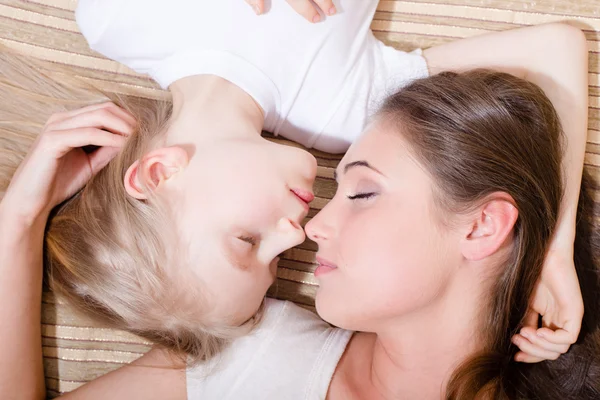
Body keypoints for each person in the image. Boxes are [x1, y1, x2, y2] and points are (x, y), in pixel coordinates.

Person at [0, 1, 590, 398]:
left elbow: (551, 54)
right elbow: (552, 55)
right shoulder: (232, 338)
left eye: (361, 191)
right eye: (272, 260)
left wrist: (549, 250)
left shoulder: (116, 20)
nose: (303, 231)